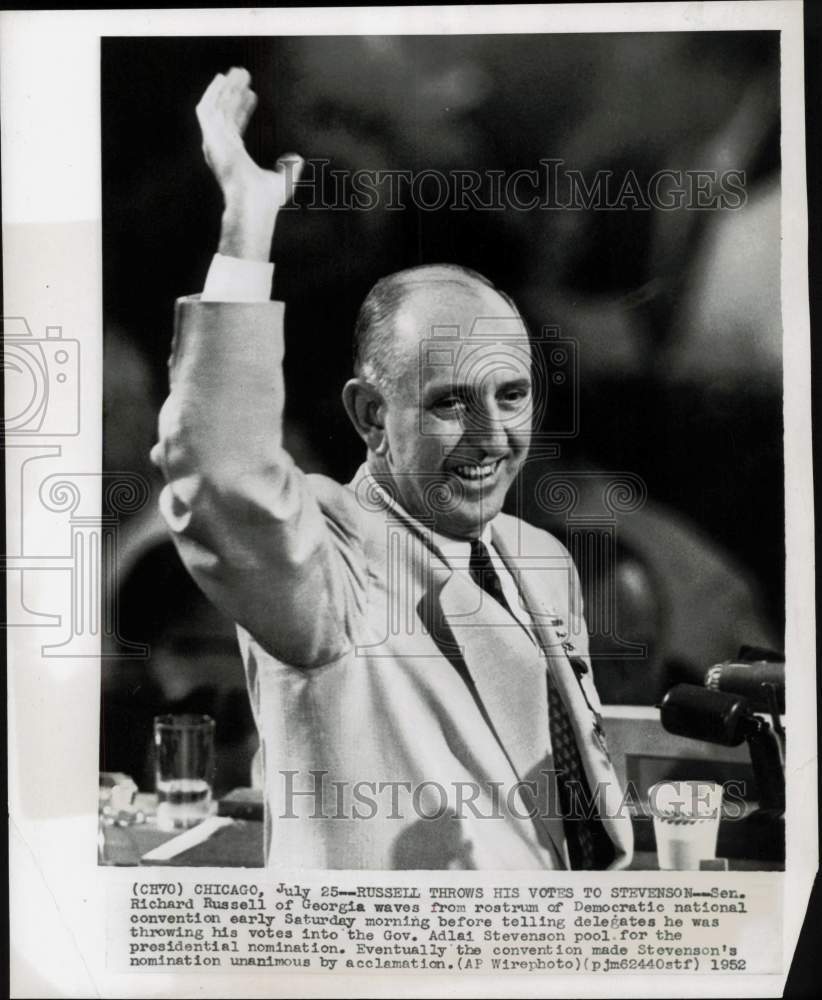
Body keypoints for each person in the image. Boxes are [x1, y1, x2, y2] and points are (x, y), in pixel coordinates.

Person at [151, 68, 633, 869]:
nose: (491, 435)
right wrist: (247, 224)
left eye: (511, 395)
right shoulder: (328, 557)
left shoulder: (542, 561)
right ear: (371, 416)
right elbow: (220, 468)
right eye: (450, 403)